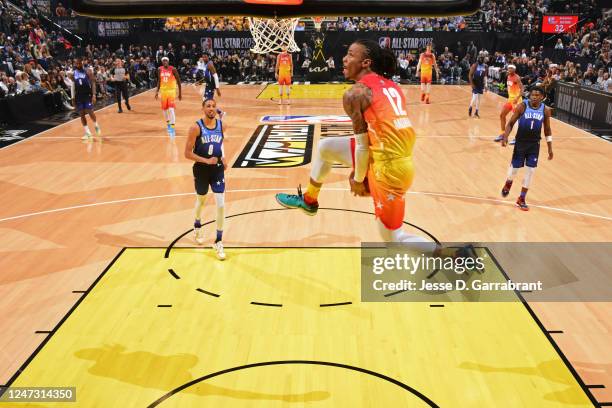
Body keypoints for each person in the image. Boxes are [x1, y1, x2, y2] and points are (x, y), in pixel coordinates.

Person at [275, 39, 436, 248]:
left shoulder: (355, 94)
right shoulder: (392, 86)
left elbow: (361, 146)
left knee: (393, 239)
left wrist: (359, 178)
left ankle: (449, 257)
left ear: (366, 63)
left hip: (388, 167)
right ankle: (309, 200)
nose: (344, 58)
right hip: (391, 156)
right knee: (326, 148)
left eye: (351, 54)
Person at [184, 98, 227, 260]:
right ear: (203, 109)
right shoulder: (195, 127)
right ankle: (197, 226)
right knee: (201, 200)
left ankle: (219, 240)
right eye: (208, 106)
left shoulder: (222, 125)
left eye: (214, 106)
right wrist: (206, 160)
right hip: (201, 169)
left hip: (217, 169)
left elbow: (221, 143)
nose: (211, 108)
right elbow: (187, 153)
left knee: (221, 204)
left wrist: (223, 157)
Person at [500, 86, 553, 211]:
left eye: (537, 95)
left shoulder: (545, 110)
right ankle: (508, 183)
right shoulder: (522, 106)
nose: (534, 96)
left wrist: (550, 147)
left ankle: (521, 198)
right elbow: (511, 122)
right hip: (520, 143)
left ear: (542, 97)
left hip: (534, 145)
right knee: (514, 170)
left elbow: (547, 129)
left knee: (531, 171)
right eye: (532, 94)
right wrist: (505, 136)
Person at [71, 58, 101, 140]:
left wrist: (94, 95)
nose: (77, 65)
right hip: (78, 96)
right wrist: (72, 98)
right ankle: (87, 133)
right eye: (76, 64)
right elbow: (72, 86)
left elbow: (93, 83)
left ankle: (96, 125)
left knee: (90, 111)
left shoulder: (88, 71)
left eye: (79, 63)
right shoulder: (73, 73)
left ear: (82, 63)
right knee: (81, 114)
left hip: (87, 95)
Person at [494, 65, 523, 143]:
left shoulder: (517, 77)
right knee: (502, 115)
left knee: (516, 120)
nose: (509, 69)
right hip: (510, 100)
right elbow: (510, 87)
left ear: (514, 69)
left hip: (516, 101)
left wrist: (517, 98)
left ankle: (518, 138)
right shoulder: (508, 76)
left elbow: (522, 89)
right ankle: (502, 134)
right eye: (509, 68)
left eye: (511, 68)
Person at [155, 56, 181, 138]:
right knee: (165, 110)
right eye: (163, 61)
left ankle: (172, 127)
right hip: (163, 91)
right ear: (162, 62)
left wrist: (180, 93)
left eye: (166, 61)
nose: (165, 62)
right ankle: (168, 124)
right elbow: (159, 80)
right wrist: (157, 91)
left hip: (171, 91)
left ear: (168, 61)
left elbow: (179, 80)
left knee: (171, 109)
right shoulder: (159, 69)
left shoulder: (173, 69)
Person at [198, 53, 224, 118]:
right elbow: (207, 76)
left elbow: (215, 76)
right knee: (205, 100)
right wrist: (199, 81)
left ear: (208, 57)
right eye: (203, 57)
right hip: (208, 85)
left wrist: (217, 88)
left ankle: (216, 114)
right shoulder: (206, 64)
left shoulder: (210, 64)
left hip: (211, 86)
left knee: (208, 102)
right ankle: (219, 112)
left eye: (205, 57)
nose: (204, 58)